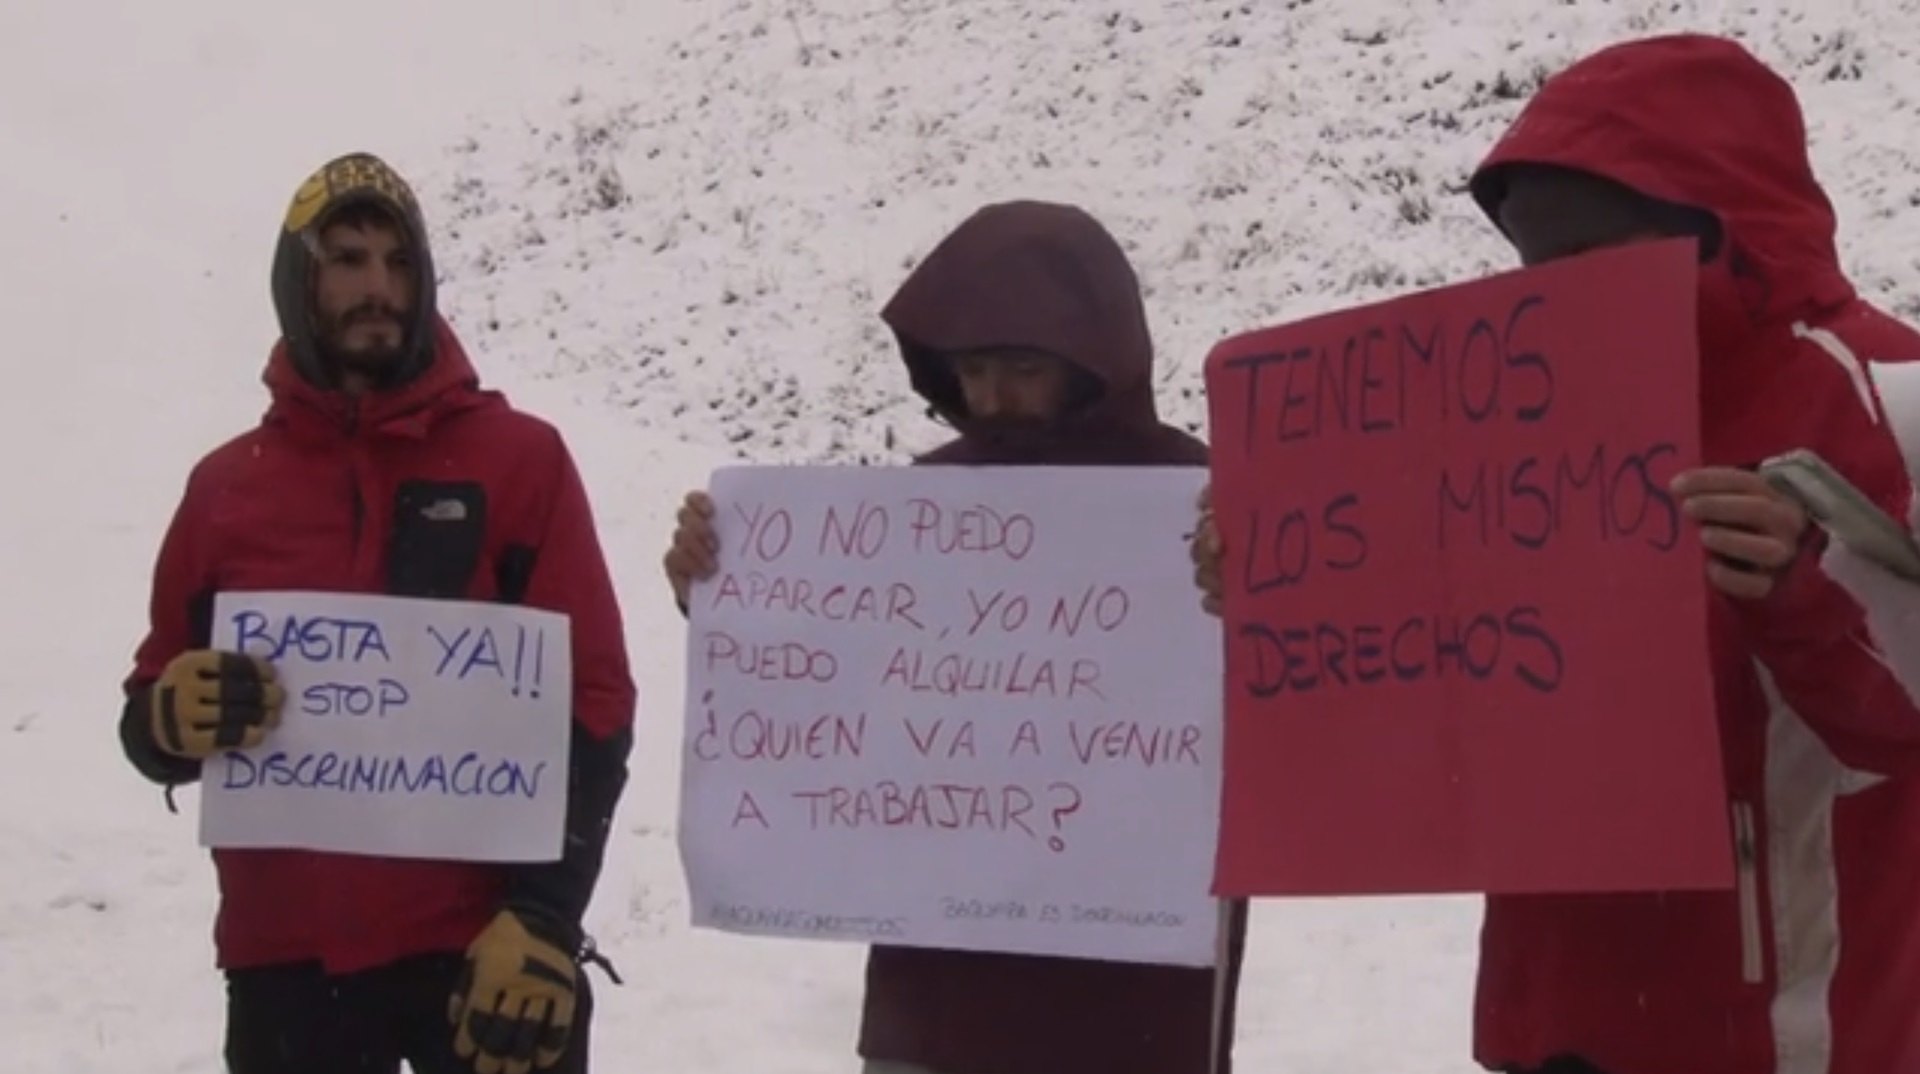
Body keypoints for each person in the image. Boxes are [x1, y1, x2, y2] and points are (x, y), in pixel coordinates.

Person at [1193, 32, 1920, 1074]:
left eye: (1594, 253)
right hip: (1556, 1017)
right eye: (1537, 262)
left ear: (1720, 227)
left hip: (1789, 1028)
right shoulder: (1513, 400)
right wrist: (1281, 589)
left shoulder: (1886, 392)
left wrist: (1806, 590)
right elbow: (1437, 667)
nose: (1556, 294)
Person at [663, 200, 1247, 1074]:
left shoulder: (1204, 501)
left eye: (1021, 367)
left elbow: (1304, 716)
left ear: (1100, 362)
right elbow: (834, 685)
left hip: (1137, 997)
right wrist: (718, 588)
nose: (993, 399)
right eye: (973, 370)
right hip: (935, 996)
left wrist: (1253, 601)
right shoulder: (919, 512)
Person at [118, 152, 636, 1074]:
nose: (378, 287)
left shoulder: (521, 462)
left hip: (487, 958)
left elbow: (592, 706)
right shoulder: (226, 489)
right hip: (288, 966)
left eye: (399, 264)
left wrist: (545, 918)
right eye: (347, 259)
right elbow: (158, 695)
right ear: (298, 281)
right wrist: (167, 720)